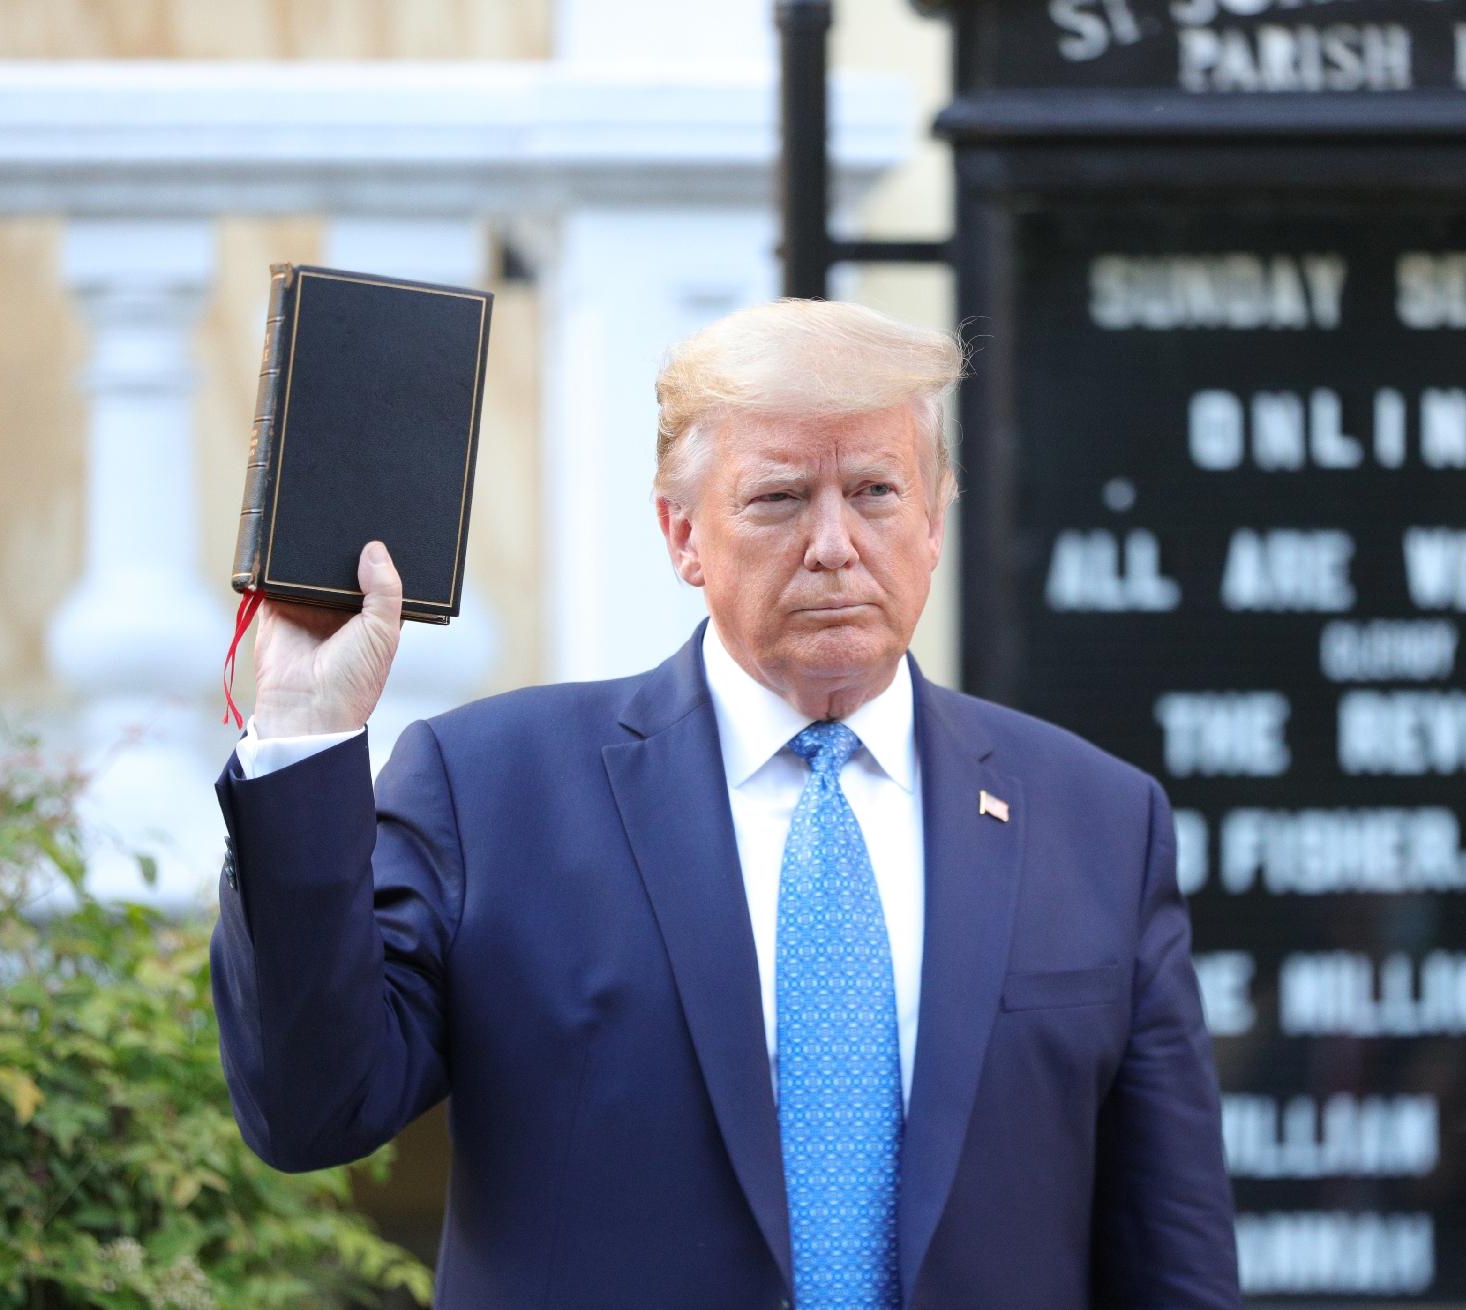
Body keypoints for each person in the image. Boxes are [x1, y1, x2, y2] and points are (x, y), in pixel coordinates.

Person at [210, 298, 1239, 1309]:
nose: (834, 543)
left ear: (934, 519)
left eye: (876, 491)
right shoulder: (492, 788)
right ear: (682, 534)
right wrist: (305, 726)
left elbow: (1172, 1252)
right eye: (780, 498)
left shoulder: (1098, 819)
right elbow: (312, 1109)